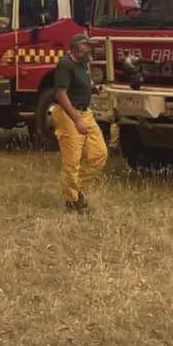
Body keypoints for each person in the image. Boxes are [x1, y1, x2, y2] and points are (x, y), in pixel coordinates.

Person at [52, 34, 107, 213]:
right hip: (70, 115)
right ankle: (71, 200)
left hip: (86, 113)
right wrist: (76, 120)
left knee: (99, 154)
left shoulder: (84, 62)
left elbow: (85, 80)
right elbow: (61, 94)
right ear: (77, 47)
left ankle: (77, 188)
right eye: (87, 46)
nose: (90, 49)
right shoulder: (65, 64)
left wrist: (94, 88)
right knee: (72, 161)